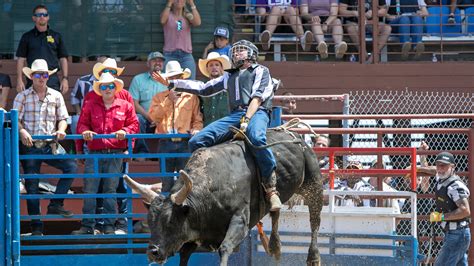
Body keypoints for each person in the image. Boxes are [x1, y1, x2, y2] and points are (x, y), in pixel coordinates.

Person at [152, 40, 282, 211]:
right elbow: (205, 88)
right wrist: (172, 84)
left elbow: (257, 97)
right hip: (236, 114)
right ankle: (208, 181)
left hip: (257, 112)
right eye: (235, 52)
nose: (236, 54)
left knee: (257, 138)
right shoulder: (230, 75)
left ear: (252, 54)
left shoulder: (261, 71)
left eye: (241, 51)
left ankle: (270, 186)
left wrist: (247, 119)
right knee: (196, 141)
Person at [13, 59, 77, 236]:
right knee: (32, 186)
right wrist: (22, 131)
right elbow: (15, 120)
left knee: (71, 167)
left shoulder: (56, 95)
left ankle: (56, 204)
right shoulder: (22, 96)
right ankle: (36, 228)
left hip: (50, 144)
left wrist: (61, 130)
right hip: (30, 145)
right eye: (38, 74)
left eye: (45, 74)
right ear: (31, 77)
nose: (42, 77)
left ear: (48, 76)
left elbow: (63, 118)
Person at [72, 72, 139, 235]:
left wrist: (125, 131)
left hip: (115, 153)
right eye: (104, 86)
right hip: (94, 152)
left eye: (110, 86)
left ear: (115, 88)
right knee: (90, 190)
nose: (107, 89)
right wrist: (85, 132)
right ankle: (87, 226)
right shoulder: (90, 105)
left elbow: (134, 125)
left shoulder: (126, 105)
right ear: (99, 89)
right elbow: (81, 125)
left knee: (110, 190)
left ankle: (109, 226)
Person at [148, 61, 203, 192]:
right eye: (171, 78)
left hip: (185, 142)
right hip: (165, 143)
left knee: (185, 183)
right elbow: (154, 118)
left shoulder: (191, 97)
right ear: (166, 80)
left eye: (177, 77)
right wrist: (168, 100)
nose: (175, 80)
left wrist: (197, 129)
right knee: (166, 183)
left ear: (182, 79)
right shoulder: (159, 98)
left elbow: (198, 119)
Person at [426, 152, 471, 266]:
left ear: (452, 167)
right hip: (454, 233)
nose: (440, 168)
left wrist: (441, 217)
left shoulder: (455, 186)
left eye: (444, 165)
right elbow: (433, 171)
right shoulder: (442, 177)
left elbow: (465, 210)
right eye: (438, 165)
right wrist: (417, 168)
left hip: (457, 234)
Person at [16, 4, 69, 93]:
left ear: (48, 17)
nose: (42, 17)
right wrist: (19, 80)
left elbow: (63, 58)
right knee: (32, 105)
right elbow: (21, 59)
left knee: (53, 105)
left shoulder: (56, 36)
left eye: (45, 15)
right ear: (33, 18)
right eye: (39, 15)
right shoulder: (27, 37)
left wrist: (65, 78)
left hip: (51, 78)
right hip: (33, 77)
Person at [129, 51, 168, 155]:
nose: (157, 63)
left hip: (164, 119)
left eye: (160, 61)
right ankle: (142, 152)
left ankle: (166, 155)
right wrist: (149, 117)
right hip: (145, 119)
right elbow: (134, 103)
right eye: (154, 60)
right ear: (148, 64)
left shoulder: (169, 80)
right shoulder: (138, 79)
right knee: (137, 119)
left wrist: (160, 118)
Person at [161, 0, 201, 80]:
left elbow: (197, 23)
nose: (179, 0)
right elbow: (162, 20)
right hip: (170, 55)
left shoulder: (187, 16)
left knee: (190, 84)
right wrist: (169, 3)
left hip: (186, 55)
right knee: (168, 84)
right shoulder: (168, 15)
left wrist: (191, 3)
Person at [70, 56, 108, 136]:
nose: (103, 70)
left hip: (105, 114)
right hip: (85, 115)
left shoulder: (113, 84)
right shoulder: (82, 81)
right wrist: (78, 111)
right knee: (76, 120)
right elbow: (74, 96)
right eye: (100, 67)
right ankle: (79, 146)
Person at [197, 52, 231, 126]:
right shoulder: (203, 88)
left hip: (225, 128)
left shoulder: (229, 86)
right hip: (208, 128)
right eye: (211, 65)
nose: (214, 67)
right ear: (207, 69)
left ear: (222, 68)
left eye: (217, 65)